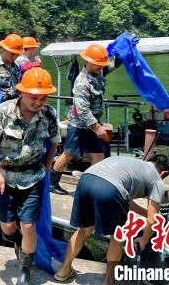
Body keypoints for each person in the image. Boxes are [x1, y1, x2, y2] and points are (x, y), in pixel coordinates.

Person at [0, 68, 60, 285]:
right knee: (8, 227)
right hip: (4, 177)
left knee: (29, 225)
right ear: (22, 92)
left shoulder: (49, 114)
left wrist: (46, 165)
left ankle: (25, 270)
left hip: (33, 177)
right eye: (34, 97)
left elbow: (54, 141)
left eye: (43, 97)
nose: (39, 102)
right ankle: (20, 244)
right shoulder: (3, 112)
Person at [54, 155, 169, 285]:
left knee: (85, 229)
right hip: (110, 189)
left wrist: (146, 213)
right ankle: (109, 281)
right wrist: (143, 240)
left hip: (86, 180)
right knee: (117, 236)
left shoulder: (132, 163)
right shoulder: (157, 180)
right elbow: (152, 221)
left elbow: (124, 199)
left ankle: (63, 271)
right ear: (164, 173)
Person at [51, 43, 119, 195]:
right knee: (69, 154)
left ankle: (91, 186)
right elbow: (82, 110)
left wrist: (125, 50)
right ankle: (52, 182)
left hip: (94, 125)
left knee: (99, 155)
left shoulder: (99, 72)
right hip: (80, 126)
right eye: (98, 65)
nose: (101, 68)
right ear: (88, 62)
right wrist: (97, 128)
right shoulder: (81, 82)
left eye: (102, 65)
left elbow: (114, 64)